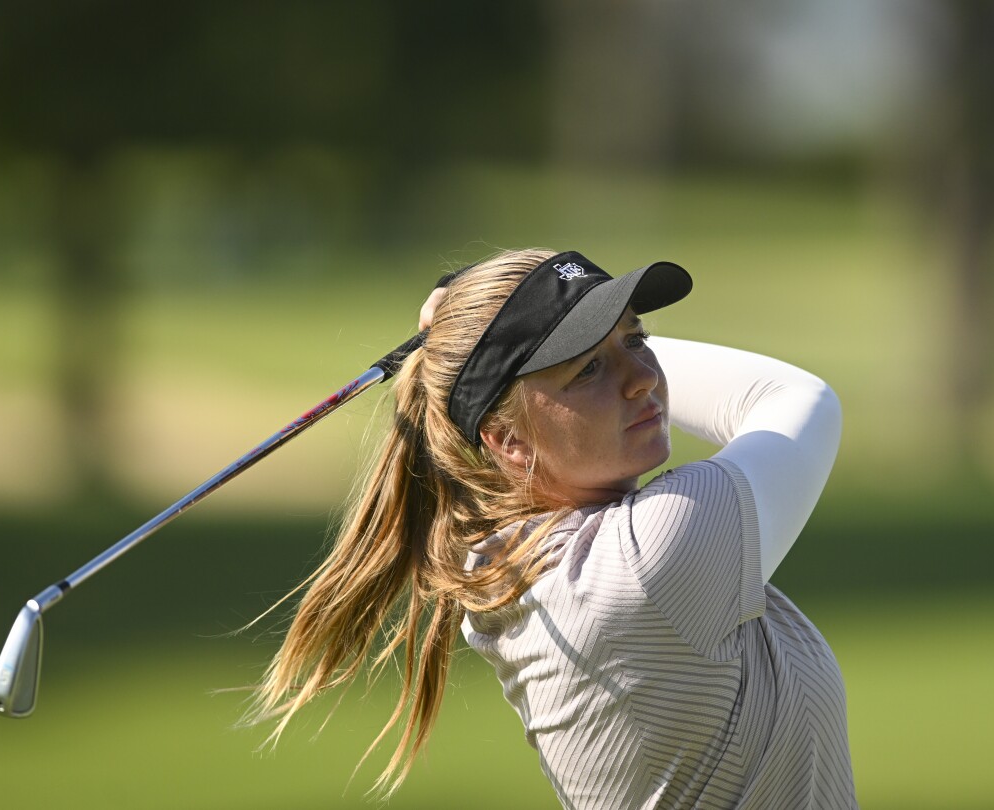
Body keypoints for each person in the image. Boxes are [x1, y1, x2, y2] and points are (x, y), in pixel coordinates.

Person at [247, 248, 856, 808]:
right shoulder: (652, 557)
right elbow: (794, 397)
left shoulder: (510, 560)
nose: (644, 377)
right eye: (588, 369)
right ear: (508, 440)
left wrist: (462, 352)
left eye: (636, 338)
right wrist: (458, 343)